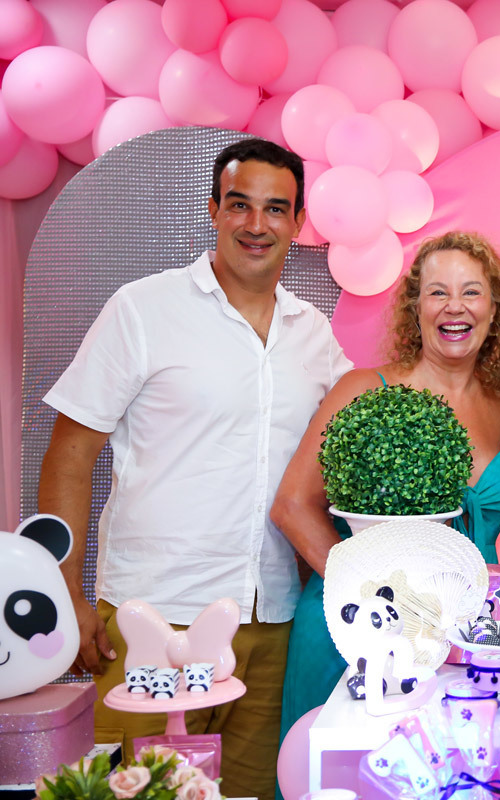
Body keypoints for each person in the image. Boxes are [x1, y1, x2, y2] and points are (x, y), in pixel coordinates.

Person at [37, 138, 351, 800]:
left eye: (275, 209)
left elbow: (353, 448)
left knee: (252, 792)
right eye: (239, 204)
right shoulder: (143, 309)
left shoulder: (314, 334)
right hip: (155, 618)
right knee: (144, 790)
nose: (256, 224)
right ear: (213, 210)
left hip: (270, 624)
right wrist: (66, 592)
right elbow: (70, 453)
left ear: (297, 223)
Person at [271, 231, 500, 754]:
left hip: (462, 636)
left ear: (494, 309)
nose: (454, 306)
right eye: (438, 292)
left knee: (450, 772)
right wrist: (369, 598)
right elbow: (292, 505)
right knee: (340, 775)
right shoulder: (362, 389)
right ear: (415, 307)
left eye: (471, 292)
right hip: (357, 634)